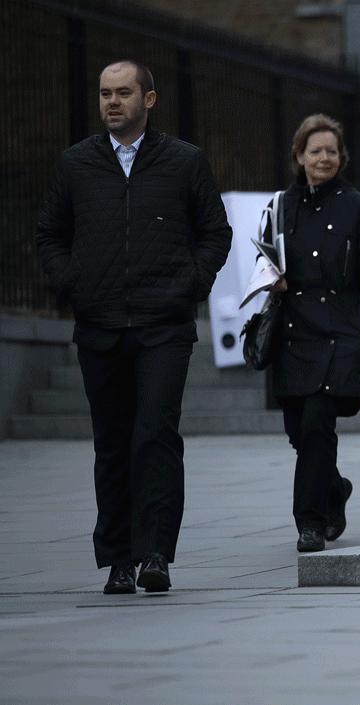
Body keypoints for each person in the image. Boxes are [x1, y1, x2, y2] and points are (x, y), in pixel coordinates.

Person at [35, 60, 232, 594]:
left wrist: (191, 284)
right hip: (99, 324)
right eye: (105, 94)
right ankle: (119, 559)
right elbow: (50, 233)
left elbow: (215, 231)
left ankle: (156, 555)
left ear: (149, 99)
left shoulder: (184, 161)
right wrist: (72, 284)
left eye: (123, 93)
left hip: (164, 325)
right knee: (112, 442)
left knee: (156, 435)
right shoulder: (76, 164)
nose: (112, 102)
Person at [264, 114, 360, 552]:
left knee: (318, 425)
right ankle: (334, 488)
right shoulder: (280, 206)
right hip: (293, 335)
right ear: (299, 156)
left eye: (331, 151)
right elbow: (262, 260)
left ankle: (310, 523)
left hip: (340, 336)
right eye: (315, 151)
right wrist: (272, 279)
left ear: (342, 157)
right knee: (299, 433)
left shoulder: (356, 206)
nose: (324, 158)